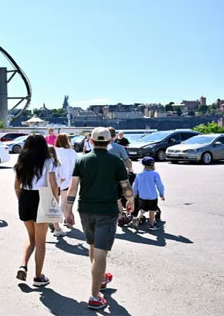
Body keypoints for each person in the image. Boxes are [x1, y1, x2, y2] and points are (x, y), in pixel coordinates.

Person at [64, 127, 134, 310]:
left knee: (93, 246)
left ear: (92, 142)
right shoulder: (116, 162)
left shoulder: (81, 160)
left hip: (85, 210)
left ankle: (101, 278)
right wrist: (131, 200)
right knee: (101, 252)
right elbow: (125, 186)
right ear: (110, 141)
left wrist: (68, 211)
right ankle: (95, 296)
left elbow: (73, 189)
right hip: (107, 211)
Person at [14, 134, 59, 287]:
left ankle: (23, 265)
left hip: (25, 197)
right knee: (40, 241)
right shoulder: (48, 161)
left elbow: (16, 186)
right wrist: (55, 201)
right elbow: (53, 184)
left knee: (31, 236)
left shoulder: (21, 161)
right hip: (42, 197)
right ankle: (38, 276)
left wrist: (21, 199)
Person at [52, 134, 78, 237]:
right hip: (68, 180)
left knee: (54, 201)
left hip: (54, 180)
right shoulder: (72, 152)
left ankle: (55, 219)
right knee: (64, 202)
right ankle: (61, 219)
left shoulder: (54, 151)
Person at [132, 157, 165, 230]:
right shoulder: (155, 174)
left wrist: (135, 194)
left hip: (142, 196)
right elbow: (160, 185)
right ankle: (151, 225)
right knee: (152, 211)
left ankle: (137, 219)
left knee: (143, 209)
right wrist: (161, 194)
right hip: (152, 196)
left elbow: (135, 185)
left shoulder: (139, 174)